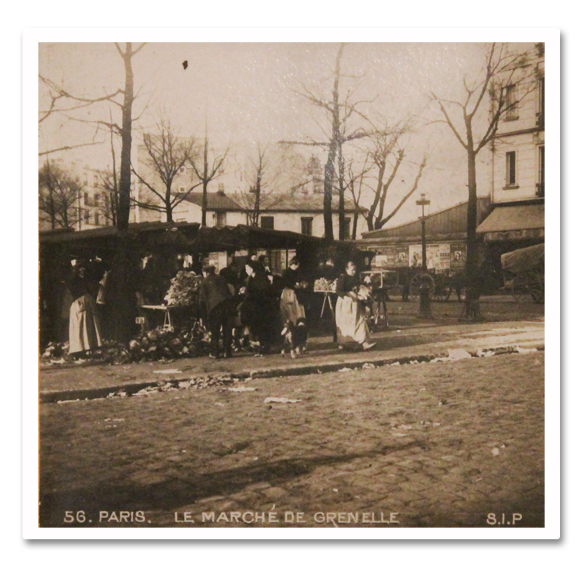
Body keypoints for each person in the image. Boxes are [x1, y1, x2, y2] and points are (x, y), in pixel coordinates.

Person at [240, 259, 279, 353]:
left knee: (263, 327)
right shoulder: (252, 278)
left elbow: (262, 293)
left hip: (263, 307)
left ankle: (264, 346)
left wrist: (248, 294)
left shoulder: (260, 278)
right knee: (257, 327)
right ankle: (259, 345)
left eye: (247, 268)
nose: (246, 270)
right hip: (256, 307)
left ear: (252, 269)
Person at [335, 261, 376, 351]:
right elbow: (338, 291)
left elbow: (359, 287)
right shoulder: (342, 278)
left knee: (359, 320)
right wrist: (347, 294)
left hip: (355, 304)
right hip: (345, 304)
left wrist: (366, 283)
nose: (353, 272)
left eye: (355, 270)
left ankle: (364, 342)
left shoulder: (355, 278)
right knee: (345, 323)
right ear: (346, 269)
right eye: (352, 270)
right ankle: (343, 343)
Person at [199, 265, 235, 358]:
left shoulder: (204, 282)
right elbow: (228, 293)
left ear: (205, 272)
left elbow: (203, 300)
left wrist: (204, 316)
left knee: (215, 331)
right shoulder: (222, 278)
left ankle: (215, 352)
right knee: (227, 330)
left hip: (215, 308)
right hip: (227, 306)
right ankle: (227, 351)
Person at [68, 263, 102, 358]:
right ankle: (81, 348)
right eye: (80, 270)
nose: (82, 272)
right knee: (81, 325)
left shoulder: (83, 280)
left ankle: (87, 347)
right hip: (80, 303)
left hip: (85, 303)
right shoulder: (75, 281)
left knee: (87, 325)